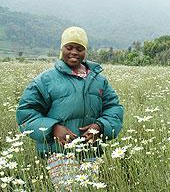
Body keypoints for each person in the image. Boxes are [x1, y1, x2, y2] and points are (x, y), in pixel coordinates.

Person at [16, 26, 124, 188]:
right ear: (62, 49)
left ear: (85, 51)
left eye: (79, 48)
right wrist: (52, 128)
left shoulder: (99, 80)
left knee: (88, 188)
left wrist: (100, 126)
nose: (74, 52)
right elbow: (26, 114)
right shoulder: (45, 80)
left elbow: (114, 108)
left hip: (91, 151)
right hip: (58, 152)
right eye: (69, 47)